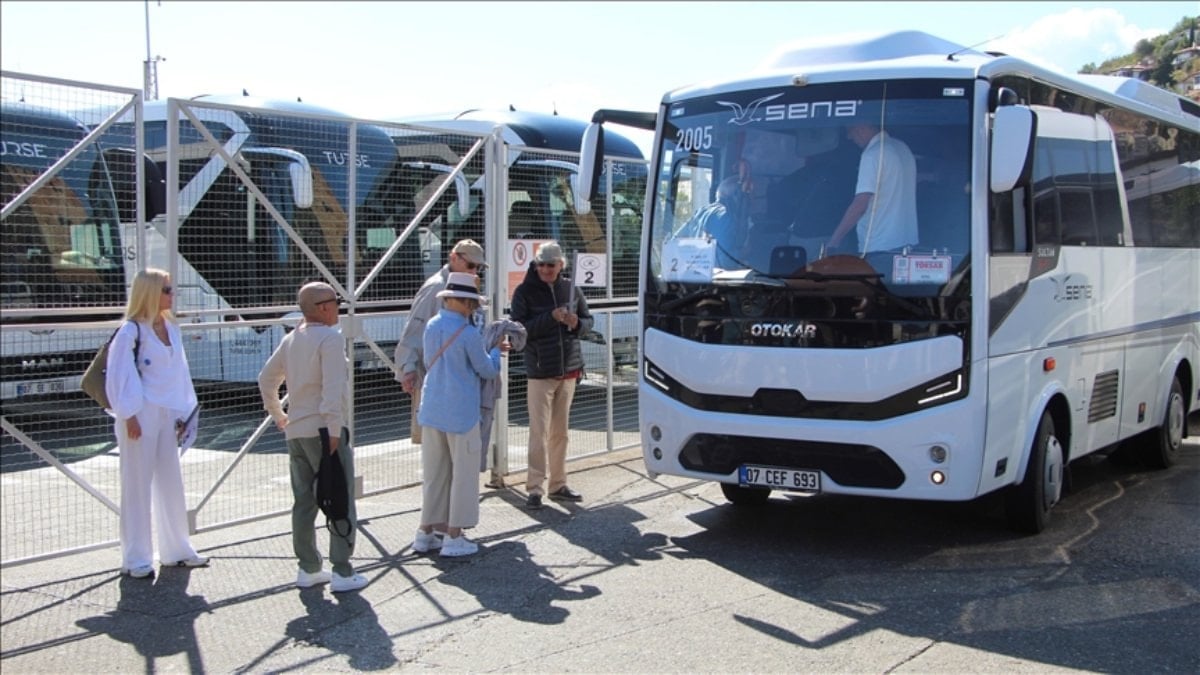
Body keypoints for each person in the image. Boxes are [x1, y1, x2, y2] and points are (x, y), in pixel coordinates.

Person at [258, 281, 368, 592]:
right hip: (324, 430)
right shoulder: (330, 339)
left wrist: (279, 415)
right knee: (339, 497)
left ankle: (308, 567)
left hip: (297, 430)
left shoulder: (293, 338)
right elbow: (332, 388)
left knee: (304, 501)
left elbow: (266, 379)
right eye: (335, 301)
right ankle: (343, 571)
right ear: (322, 307)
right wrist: (334, 429)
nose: (338, 307)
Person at [105, 268, 208, 578]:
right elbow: (119, 377)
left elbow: (178, 374)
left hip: (167, 413)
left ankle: (177, 548)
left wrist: (182, 414)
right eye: (166, 288)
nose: (171, 293)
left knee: (170, 480)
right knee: (136, 485)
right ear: (150, 292)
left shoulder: (170, 328)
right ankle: (136, 557)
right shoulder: (130, 331)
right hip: (140, 412)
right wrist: (129, 416)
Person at [412, 272, 508, 557]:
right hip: (461, 411)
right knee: (463, 475)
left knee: (435, 474)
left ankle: (426, 531)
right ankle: (454, 535)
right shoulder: (468, 333)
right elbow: (486, 370)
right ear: (467, 304)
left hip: (432, 408)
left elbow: (428, 360)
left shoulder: (432, 325)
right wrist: (495, 352)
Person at [510, 241, 594, 510]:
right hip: (540, 371)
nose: (545, 269)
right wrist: (552, 317)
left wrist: (576, 323)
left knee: (561, 433)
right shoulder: (524, 292)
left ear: (561, 265)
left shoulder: (572, 288)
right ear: (535, 265)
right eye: (541, 264)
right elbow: (519, 330)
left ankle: (558, 484)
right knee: (538, 432)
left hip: (568, 370)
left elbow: (588, 321)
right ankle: (534, 488)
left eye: (551, 264)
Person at [394, 239, 486, 444]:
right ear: (454, 258)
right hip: (436, 378)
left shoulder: (463, 284)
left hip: (457, 376)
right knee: (437, 446)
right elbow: (413, 331)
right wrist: (408, 368)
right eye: (470, 265)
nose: (474, 271)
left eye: (478, 267)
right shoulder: (436, 286)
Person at [828, 122, 919, 254]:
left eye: (850, 131)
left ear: (861, 127)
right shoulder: (902, 148)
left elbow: (860, 204)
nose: (849, 137)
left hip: (880, 246)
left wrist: (834, 241)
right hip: (908, 244)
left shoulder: (872, 154)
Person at [675, 176, 751, 269]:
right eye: (746, 197)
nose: (748, 202)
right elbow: (725, 261)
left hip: (696, 276)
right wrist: (745, 251)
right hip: (715, 279)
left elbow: (675, 241)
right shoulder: (725, 216)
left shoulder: (701, 211)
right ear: (736, 197)